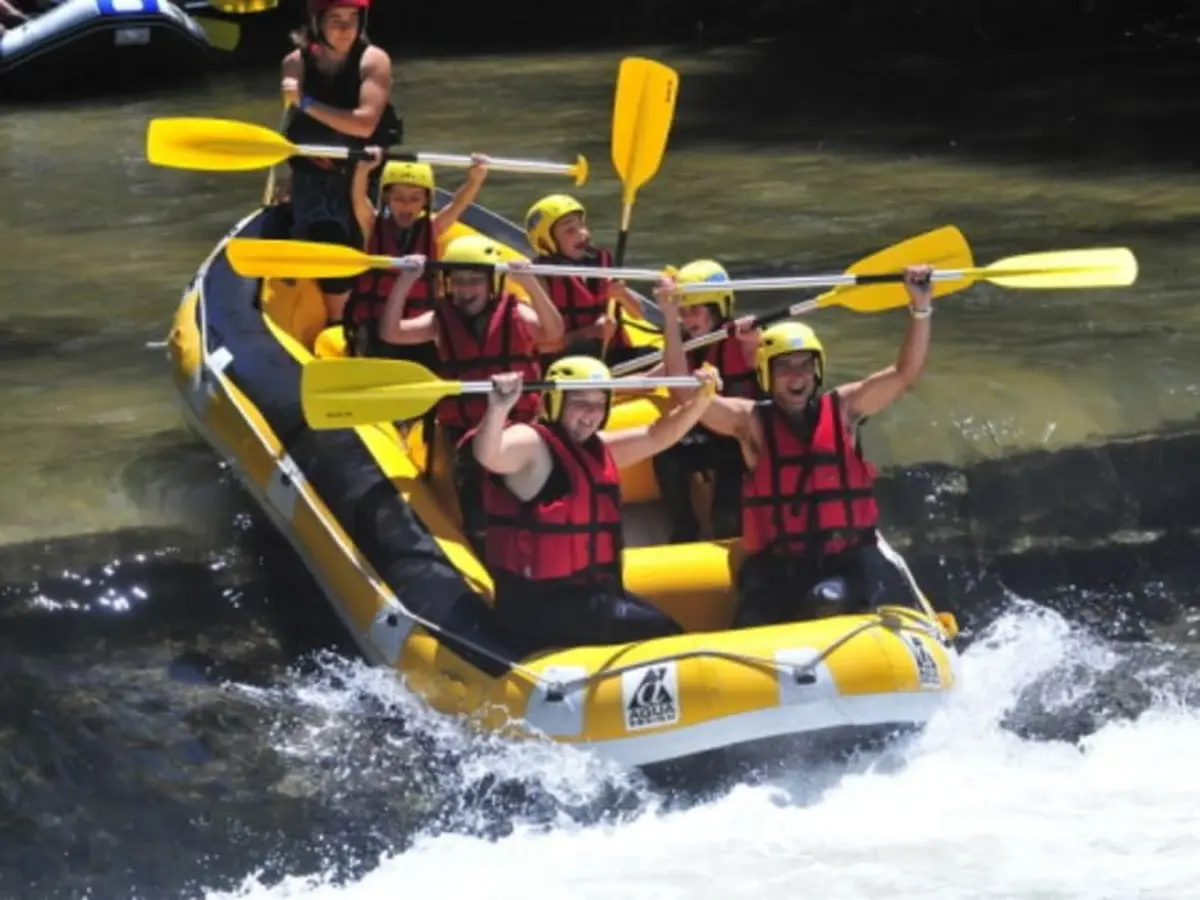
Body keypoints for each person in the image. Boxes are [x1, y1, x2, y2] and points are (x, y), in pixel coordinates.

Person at [693, 265, 936, 627]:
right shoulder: (751, 423)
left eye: (805, 365)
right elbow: (689, 402)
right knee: (752, 617)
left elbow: (905, 373)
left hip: (846, 560)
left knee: (826, 599)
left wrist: (920, 306)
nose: (797, 376)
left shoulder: (845, 410)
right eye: (785, 367)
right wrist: (673, 323)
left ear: (817, 370)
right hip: (778, 566)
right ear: (767, 373)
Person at [470, 353, 722, 656]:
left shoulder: (595, 450)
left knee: (665, 628)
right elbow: (489, 454)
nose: (591, 413)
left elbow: (655, 436)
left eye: (599, 403)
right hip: (539, 607)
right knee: (666, 635)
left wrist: (701, 400)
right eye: (580, 402)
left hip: (589, 597)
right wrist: (498, 408)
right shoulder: (532, 444)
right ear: (555, 402)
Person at [377, 234, 564, 550]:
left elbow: (554, 334)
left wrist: (531, 285)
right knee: (475, 468)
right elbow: (391, 332)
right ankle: (481, 538)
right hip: (466, 429)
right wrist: (405, 282)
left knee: (527, 471)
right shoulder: (441, 320)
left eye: (475, 281)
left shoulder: (517, 313)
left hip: (518, 423)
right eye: (458, 282)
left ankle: (539, 531)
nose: (465, 291)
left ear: (491, 284)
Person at [280, 0, 401, 326]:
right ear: (318, 23)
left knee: (365, 241)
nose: (346, 29)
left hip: (364, 171)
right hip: (314, 176)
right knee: (327, 237)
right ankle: (337, 323)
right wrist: (286, 179)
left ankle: (367, 314)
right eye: (336, 19)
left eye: (352, 19)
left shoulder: (374, 60)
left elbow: (364, 124)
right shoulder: (295, 63)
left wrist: (305, 102)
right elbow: (289, 124)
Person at [344, 150, 491, 362]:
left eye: (415, 198)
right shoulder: (372, 225)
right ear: (386, 198)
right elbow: (358, 200)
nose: (407, 205)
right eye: (398, 198)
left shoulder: (434, 227)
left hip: (418, 326)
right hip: (376, 322)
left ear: (425, 200)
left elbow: (458, 204)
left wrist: (475, 180)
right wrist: (362, 171)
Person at [653, 258, 762, 543]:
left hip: (741, 442)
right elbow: (673, 378)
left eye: (695, 310)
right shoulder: (689, 344)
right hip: (710, 434)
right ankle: (684, 526)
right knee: (667, 454)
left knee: (725, 517)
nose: (687, 319)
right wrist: (669, 315)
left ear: (717, 308)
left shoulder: (744, 342)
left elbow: (763, 358)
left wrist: (756, 342)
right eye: (683, 311)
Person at [523, 194, 647, 367]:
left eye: (582, 225)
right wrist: (591, 332)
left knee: (653, 354)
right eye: (570, 230)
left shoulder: (601, 262)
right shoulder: (541, 276)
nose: (583, 234)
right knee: (585, 348)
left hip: (610, 353)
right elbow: (543, 344)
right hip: (567, 360)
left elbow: (639, 314)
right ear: (546, 242)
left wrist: (623, 295)